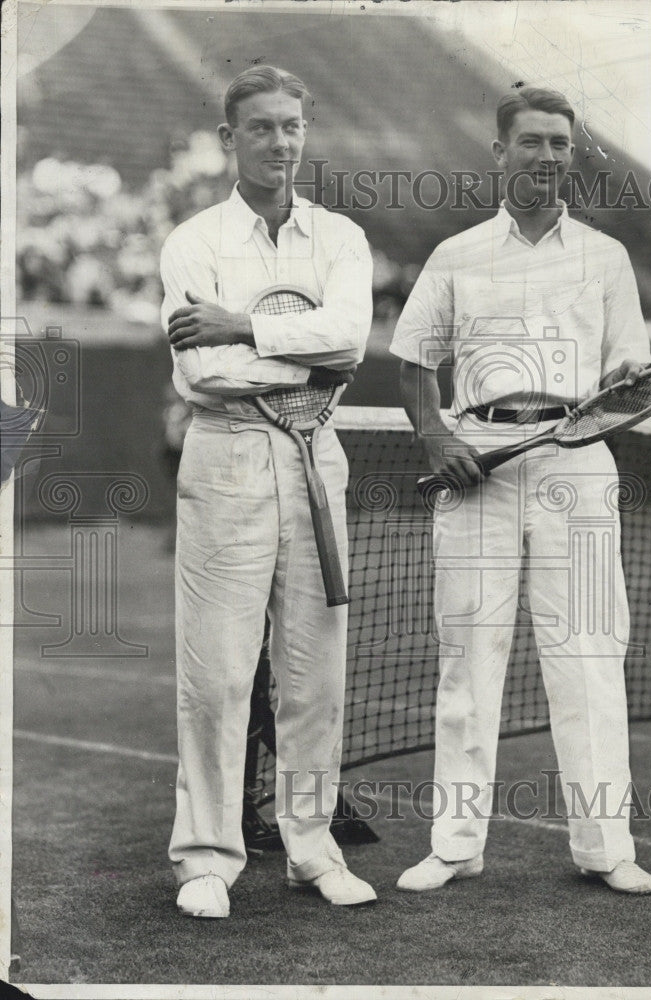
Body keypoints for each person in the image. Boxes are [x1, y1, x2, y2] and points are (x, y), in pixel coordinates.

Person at [390, 87, 651, 896]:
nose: (548, 156)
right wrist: (437, 435)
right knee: (469, 661)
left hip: (577, 466)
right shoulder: (457, 253)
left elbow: (631, 372)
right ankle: (457, 843)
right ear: (499, 152)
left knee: (587, 658)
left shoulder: (606, 257)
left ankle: (606, 849)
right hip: (478, 462)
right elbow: (413, 364)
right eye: (532, 142)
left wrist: (619, 383)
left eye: (561, 144)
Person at [160, 65, 376, 916]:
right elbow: (203, 371)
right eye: (261, 128)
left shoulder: (341, 239)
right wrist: (300, 346)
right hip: (228, 458)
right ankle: (207, 857)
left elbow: (352, 340)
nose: (280, 142)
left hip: (317, 456)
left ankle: (311, 848)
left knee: (315, 671)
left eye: (291, 126)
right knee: (215, 673)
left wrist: (242, 323)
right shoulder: (193, 241)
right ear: (228, 139)